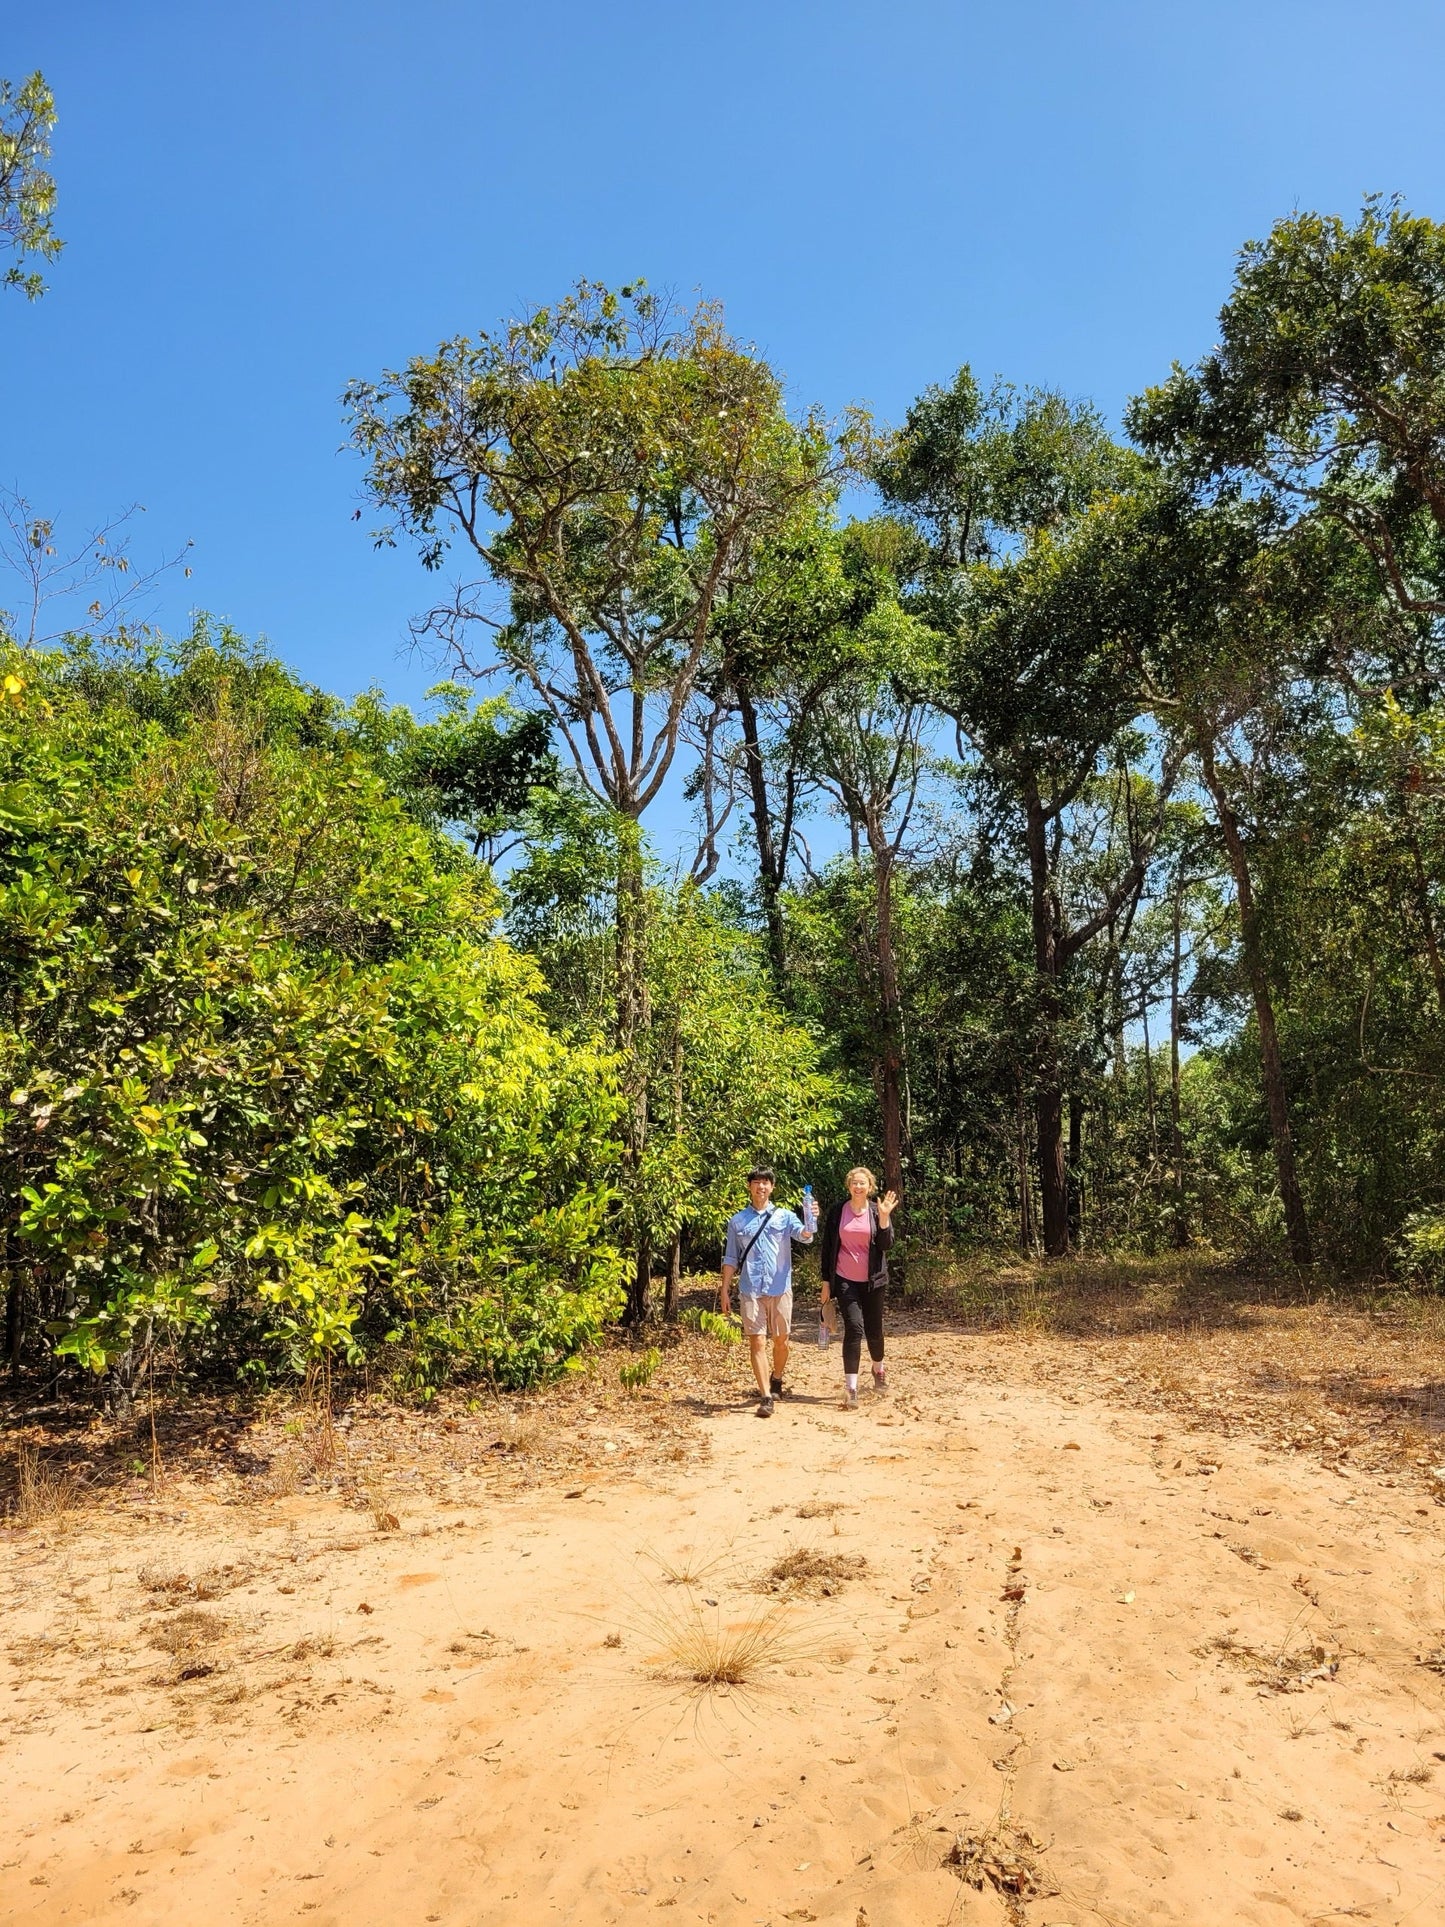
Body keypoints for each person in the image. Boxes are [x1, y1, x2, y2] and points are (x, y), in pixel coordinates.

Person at [719, 1166, 814, 1418]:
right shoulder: (737, 1221)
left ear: (772, 1188)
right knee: (757, 1341)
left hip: (779, 1287)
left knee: (781, 1341)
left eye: (765, 1183)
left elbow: (805, 1236)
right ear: (749, 1186)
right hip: (751, 1290)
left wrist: (811, 1220)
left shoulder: (783, 1216)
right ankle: (766, 1397)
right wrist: (725, 1289)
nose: (761, 1186)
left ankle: (777, 1377)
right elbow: (730, 1257)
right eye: (756, 1182)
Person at [818, 1167, 898, 1410]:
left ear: (870, 1187)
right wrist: (825, 1282)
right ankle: (851, 1388)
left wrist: (884, 1219)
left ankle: (878, 1370)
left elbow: (887, 1244)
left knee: (874, 1331)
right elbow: (828, 1247)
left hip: (874, 1280)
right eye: (854, 1182)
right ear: (848, 1185)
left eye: (862, 1183)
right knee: (854, 1327)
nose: (858, 1186)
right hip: (845, 1279)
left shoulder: (876, 1211)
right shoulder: (837, 1212)